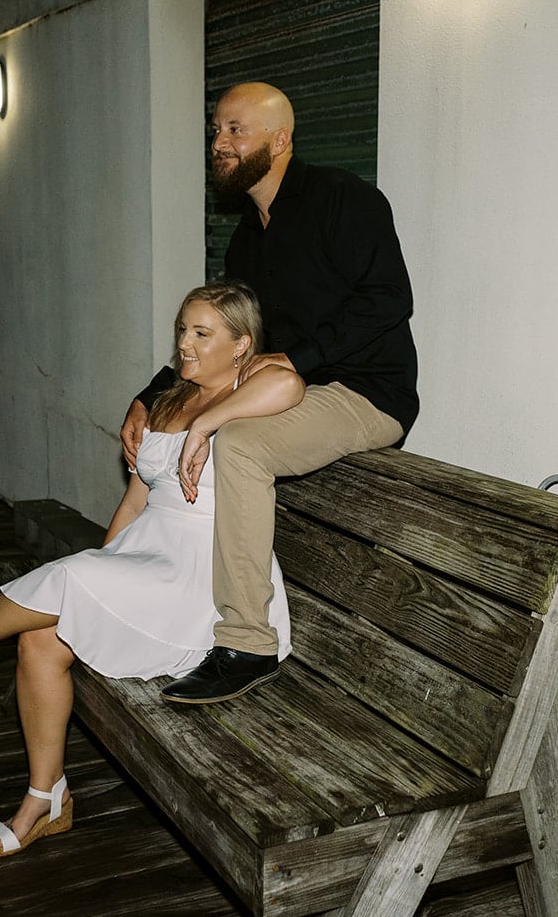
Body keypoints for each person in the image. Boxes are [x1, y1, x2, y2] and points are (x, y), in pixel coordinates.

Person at [0, 282, 304, 858]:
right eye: (182, 329)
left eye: (202, 334)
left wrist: (209, 424)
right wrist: (106, 561)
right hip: (151, 553)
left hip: (206, 575)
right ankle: (46, 797)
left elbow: (292, 383)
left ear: (242, 345)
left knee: (69, 581)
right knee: (40, 637)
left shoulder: (249, 387)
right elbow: (134, 501)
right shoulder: (170, 397)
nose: (185, 344)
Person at [120, 82, 419, 706]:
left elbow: (390, 299)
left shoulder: (345, 200)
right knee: (202, 426)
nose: (220, 144)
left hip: (365, 391)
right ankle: (158, 600)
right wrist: (150, 396)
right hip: (288, 391)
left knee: (242, 444)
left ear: (279, 140)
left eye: (236, 130)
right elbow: (219, 338)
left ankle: (247, 641)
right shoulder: (246, 240)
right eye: (216, 132)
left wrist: (299, 358)